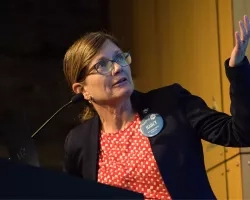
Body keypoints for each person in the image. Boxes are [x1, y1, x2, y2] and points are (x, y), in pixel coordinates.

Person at [63, 15, 250, 199]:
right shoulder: (78, 142)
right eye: (102, 65)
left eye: (120, 58)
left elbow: (241, 133)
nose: (118, 68)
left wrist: (239, 71)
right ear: (82, 90)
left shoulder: (170, 103)